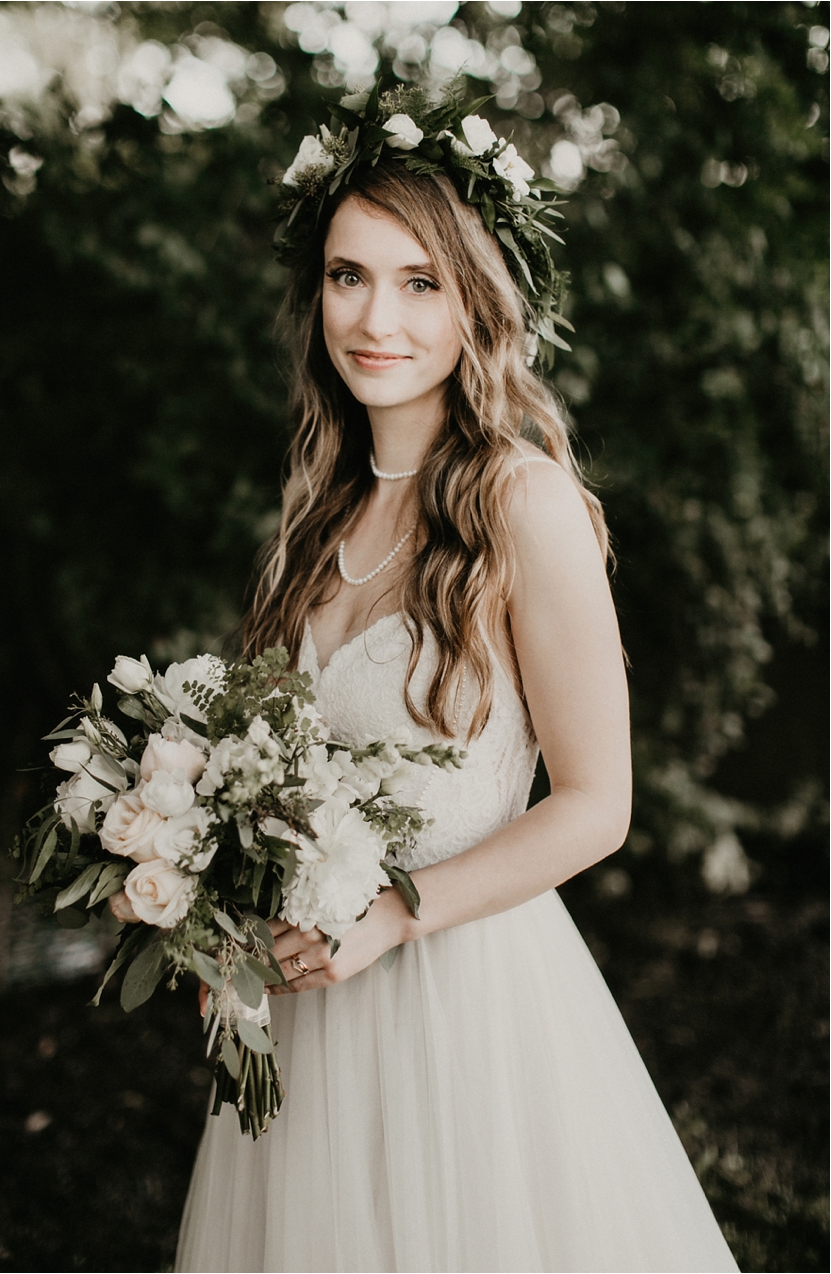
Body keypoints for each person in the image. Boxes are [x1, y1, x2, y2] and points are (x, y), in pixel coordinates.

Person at [175, 85, 738, 1274]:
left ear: (476, 302)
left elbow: (597, 803)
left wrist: (397, 912)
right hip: (308, 1014)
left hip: (468, 1010)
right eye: (347, 275)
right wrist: (188, 883)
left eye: (419, 281)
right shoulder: (312, 515)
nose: (375, 316)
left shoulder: (520, 502)